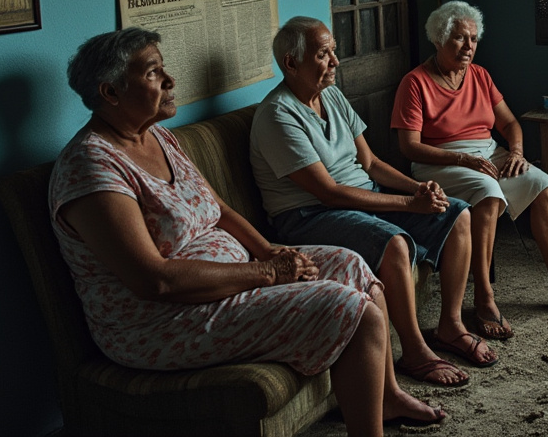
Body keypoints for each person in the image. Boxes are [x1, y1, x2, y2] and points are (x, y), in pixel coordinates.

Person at [50, 28, 443, 435]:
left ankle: (387, 397)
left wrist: (269, 250)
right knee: (351, 310)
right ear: (110, 92)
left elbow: (216, 209)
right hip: (160, 321)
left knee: (351, 265)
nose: (170, 80)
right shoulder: (91, 167)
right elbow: (155, 281)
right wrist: (269, 273)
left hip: (231, 282)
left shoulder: (159, 137)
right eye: (153, 73)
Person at [251, 17, 493, 388]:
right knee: (394, 242)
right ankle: (414, 351)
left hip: (360, 198)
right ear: (290, 63)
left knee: (457, 213)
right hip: (309, 216)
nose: (335, 61)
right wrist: (408, 205)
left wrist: (420, 190)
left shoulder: (330, 94)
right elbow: (328, 192)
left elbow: (372, 163)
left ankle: (450, 326)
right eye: (323, 54)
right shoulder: (277, 115)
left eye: (333, 51)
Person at [393, 0, 548, 340]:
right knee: (488, 193)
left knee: (542, 184)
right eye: (459, 39)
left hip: (490, 152)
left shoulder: (480, 76)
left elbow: (509, 123)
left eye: (474, 39)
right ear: (438, 39)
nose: (468, 47)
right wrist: (463, 160)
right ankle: (484, 296)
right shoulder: (415, 82)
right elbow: (409, 146)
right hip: (442, 160)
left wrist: (516, 153)